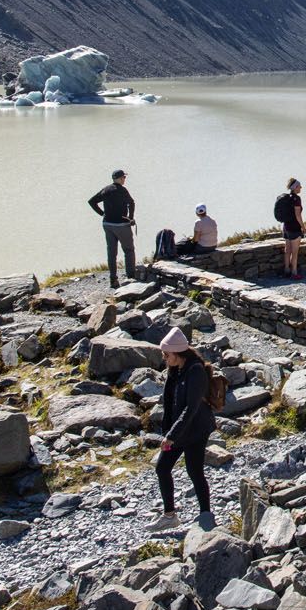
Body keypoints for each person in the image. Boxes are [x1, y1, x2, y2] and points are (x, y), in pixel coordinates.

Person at [148, 328, 215, 532]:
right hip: (178, 430)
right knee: (162, 468)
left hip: (195, 430)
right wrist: (167, 432)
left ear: (178, 354)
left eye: (166, 354)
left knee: (195, 471)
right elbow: (169, 403)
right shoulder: (176, 370)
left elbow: (191, 408)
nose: (164, 358)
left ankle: (206, 515)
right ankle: (170, 515)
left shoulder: (196, 371)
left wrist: (171, 436)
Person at [88, 171, 136, 289]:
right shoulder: (122, 190)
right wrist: (130, 218)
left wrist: (103, 214)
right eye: (124, 177)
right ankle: (131, 277)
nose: (125, 179)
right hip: (121, 225)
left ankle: (113, 279)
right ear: (119, 179)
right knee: (129, 250)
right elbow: (131, 203)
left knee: (111, 252)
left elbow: (92, 201)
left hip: (107, 224)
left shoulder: (106, 189)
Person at [277, 178, 306, 280]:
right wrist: (303, 227)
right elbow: (298, 215)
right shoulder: (297, 199)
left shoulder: (287, 198)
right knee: (295, 251)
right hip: (294, 228)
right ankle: (294, 272)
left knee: (287, 250)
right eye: (299, 186)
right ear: (295, 187)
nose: (301, 188)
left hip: (286, 227)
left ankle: (286, 270)